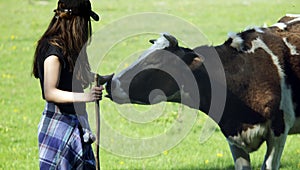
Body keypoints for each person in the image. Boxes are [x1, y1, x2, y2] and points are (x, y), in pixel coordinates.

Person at [32, 0, 104, 169]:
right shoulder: (53, 51)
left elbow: (70, 75)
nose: (86, 28)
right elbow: (50, 92)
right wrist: (87, 97)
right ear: (76, 21)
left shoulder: (68, 46)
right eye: (85, 21)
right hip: (59, 124)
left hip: (76, 122)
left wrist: (100, 78)